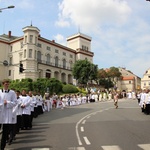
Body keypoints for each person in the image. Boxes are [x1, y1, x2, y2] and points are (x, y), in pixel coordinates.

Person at [0, 79, 17, 150]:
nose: (7, 85)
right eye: (5, 84)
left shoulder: (12, 93)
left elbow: (15, 102)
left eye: (8, 84)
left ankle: (2, 147)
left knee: (5, 132)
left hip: (7, 114)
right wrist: (2, 104)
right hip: (0, 113)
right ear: (3, 84)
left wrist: (7, 102)